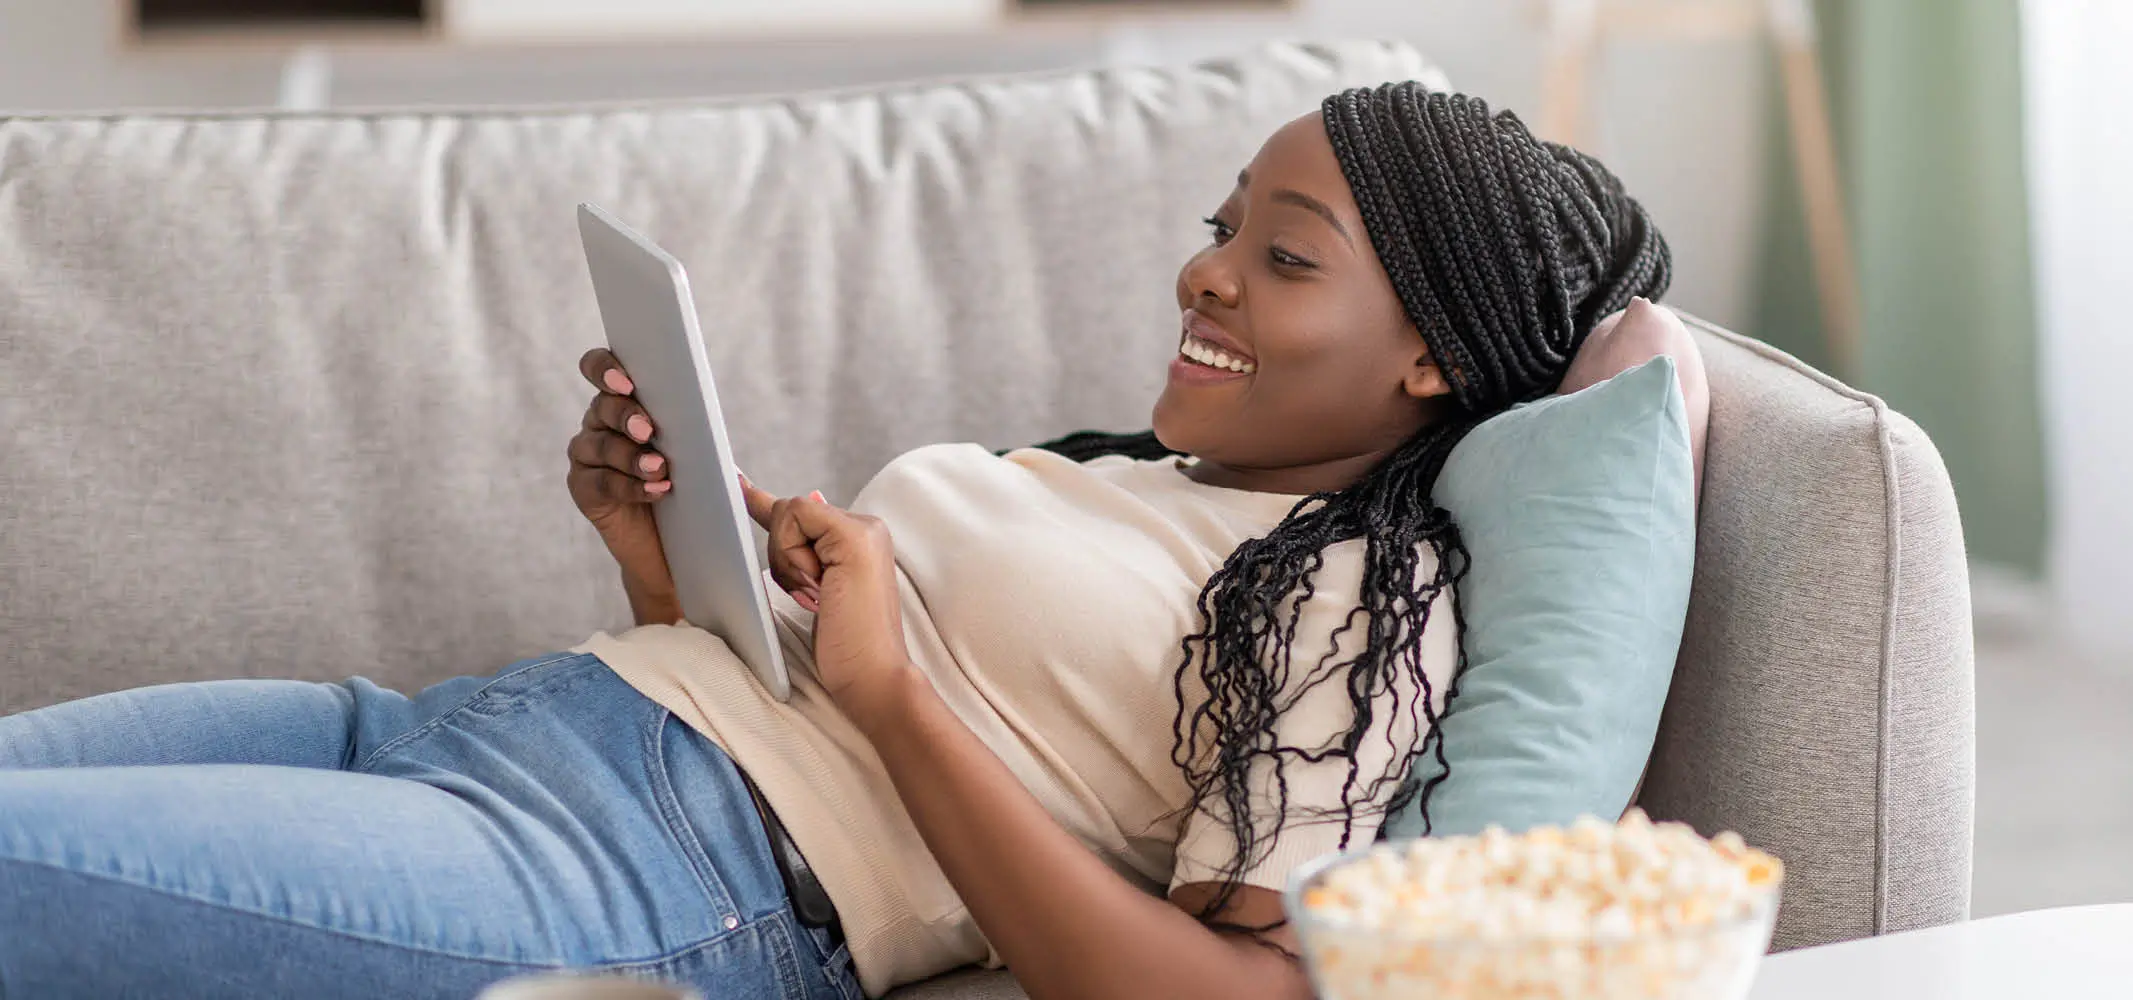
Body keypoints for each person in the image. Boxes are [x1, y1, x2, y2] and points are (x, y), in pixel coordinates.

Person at [0, 83, 1702, 1000]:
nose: (1207, 275)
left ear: (1431, 355)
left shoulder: (1360, 591)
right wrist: (658, 565)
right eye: (1220, 232)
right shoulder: (1145, 484)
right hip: (455, 727)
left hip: (666, 888)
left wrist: (896, 701)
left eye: (1287, 257)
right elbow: (780, 705)